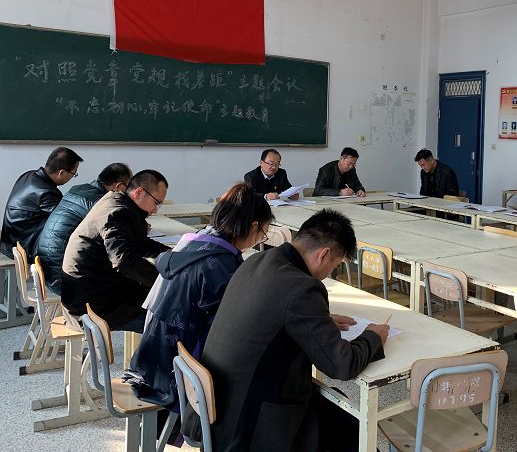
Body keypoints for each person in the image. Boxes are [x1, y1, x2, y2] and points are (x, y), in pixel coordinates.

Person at [185, 209, 387, 452]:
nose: (329, 274)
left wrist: (319, 320)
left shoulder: (257, 261)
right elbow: (342, 365)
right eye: (334, 265)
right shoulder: (303, 288)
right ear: (324, 255)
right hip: (251, 427)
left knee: (337, 407)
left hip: (219, 414)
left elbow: (273, 314)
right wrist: (373, 336)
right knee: (352, 428)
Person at [127, 182, 273, 408]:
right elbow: (228, 328)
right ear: (253, 226)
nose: (260, 239)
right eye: (263, 233)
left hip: (152, 359)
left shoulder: (197, 239)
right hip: (179, 375)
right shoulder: (221, 264)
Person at [60, 169, 170, 332]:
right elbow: (124, 261)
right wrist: (164, 281)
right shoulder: (118, 212)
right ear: (139, 192)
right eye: (157, 203)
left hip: (91, 291)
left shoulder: (116, 201)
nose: (156, 209)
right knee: (171, 316)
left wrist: (169, 252)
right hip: (92, 307)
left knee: (161, 295)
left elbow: (139, 243)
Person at [35, 163, 133, 294]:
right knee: (129, 281)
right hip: (64, 279)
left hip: (49, 269)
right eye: (128, 187)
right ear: (118, 186)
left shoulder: (78, 189)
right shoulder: (101, 203)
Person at [1, 146, 83, 260]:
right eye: (74, 174)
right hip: (24, 248)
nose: (73, 177)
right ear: (61, 172)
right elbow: (65, 220)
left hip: (9, 242)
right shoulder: (48, 192)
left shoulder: (28, 175)